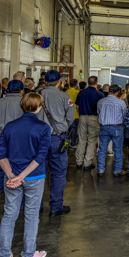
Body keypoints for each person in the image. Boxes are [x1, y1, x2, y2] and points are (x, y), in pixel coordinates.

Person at [0, 92, 50, 257]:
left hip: (11, 178)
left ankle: (3, 256)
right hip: (34, 177)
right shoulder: (43, 127)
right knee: (32, 215)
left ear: (22, 105)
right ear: (39, 107)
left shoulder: (9, 127)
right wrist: (22, 176)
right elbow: (40, 156)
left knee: (9, 214)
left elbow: (1, 154)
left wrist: (12, 175)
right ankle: (28, 255)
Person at [0, 80, 48, 210]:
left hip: (0, 140)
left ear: (6, 89)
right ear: (22, 90)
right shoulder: (27, 104)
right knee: (26, 168)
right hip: (24, 141)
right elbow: (37, 123)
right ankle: (26, 203)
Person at [41, 70, 75, 217]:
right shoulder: (64, 96)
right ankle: (56, 207)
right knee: (58, 173)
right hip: (57, 139)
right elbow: (70, 118)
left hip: (37, 140)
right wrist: (62, 128)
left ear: (44, 81)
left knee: (37, 174)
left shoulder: (36, 96)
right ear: (59, 82)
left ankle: (35, 206)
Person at [96, 84, 127, 177]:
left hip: (104, 127)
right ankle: (117, 170)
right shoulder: (121, 103)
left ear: (109, 91)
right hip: (117, 127)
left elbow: (98, 112)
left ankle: (100, 170)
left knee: (102, 150)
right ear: (117, 93)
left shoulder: (101, 102)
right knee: (118, 150)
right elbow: (124, 115)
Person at [75, 76, 105, 169]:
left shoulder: (81, 93)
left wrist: (81, 114)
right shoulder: (99, 94)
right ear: (96, 83)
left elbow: (77, 107)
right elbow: (102, 109)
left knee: (81, 139)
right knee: (92, 140)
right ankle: (87, 163)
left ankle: (79, 162)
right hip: (94, 118)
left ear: (88, 83)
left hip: (82, 117)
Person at [66, 79, 80, 148]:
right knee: (74, 130)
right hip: (76, 114)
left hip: (67, 113)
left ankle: (66, 144)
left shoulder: (66, 92)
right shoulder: (78, 92)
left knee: (67, 130)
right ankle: (73, 144)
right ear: (76, 84)